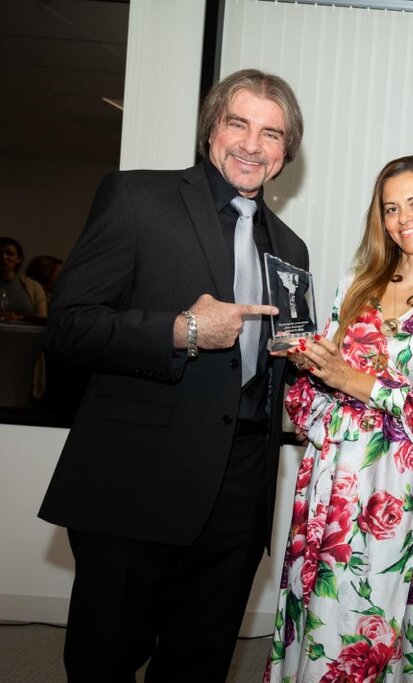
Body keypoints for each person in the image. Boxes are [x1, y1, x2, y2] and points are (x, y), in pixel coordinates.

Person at [38, 68, 308, 681]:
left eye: (271, 134)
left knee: (198, 665)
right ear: (211, 129)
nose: (252, 145)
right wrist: (182, 330)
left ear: (285, 152)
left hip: (239, 491)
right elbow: (69, 328)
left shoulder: (291, 250)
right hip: (137, 479)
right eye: (238, 124)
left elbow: (275, 370)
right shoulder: (137, 197)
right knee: (103, 662)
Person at [265, 155, 413, 683]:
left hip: (403, 494)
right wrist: (309, 365)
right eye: (391, 208)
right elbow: (308, 400)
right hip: (331, 483)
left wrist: (354, 381)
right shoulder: (358, 283)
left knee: (375, 632)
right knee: (319, 620)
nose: (403, 219)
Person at [0, 236, 47, 322]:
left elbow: (41, 317)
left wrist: (19, 318)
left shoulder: (33, 286)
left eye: (10, 254)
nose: (3, 257)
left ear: (18, 259)